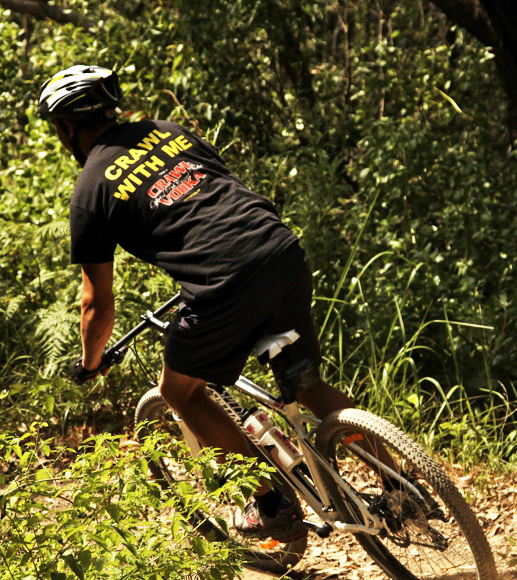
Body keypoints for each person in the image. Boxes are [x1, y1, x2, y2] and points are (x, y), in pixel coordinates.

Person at [37, 65, 356, 541]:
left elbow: (97, 306)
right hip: (280, 250)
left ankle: (272, 504)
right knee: (306, 384)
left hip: (221, 284)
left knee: (179, 392)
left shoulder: (90, 187)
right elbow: (214, 197)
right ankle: (404, 487)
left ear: (67, 127)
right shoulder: (168, 131)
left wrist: (90, 364)